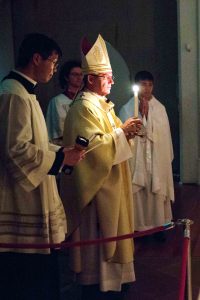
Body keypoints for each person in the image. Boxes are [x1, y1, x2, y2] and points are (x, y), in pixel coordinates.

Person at [0, 33, 85, 300]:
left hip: (32, 192)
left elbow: (34, 142)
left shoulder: (24, 92)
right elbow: (16, 150)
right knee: (27, 280)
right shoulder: (14, 95)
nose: (54, 68)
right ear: (36, 58)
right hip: (20, 201)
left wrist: (61, 152)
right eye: (53, 61)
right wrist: (60, 160)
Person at [60, 34, 142, 293]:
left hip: (111, 184)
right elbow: (91, 149)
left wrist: (126, 133)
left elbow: (112, 138)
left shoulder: (102, 105)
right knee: (98, 243)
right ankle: (97, 285)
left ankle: (115, 281)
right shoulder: (83, 107)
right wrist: (122, 133)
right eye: (107, 77)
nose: (112, 81)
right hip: (97, 193)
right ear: (91, 79)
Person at [119, 71, 174, 239]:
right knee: (139, 194)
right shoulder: (127, 109)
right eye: (143, 84)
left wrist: (149, 116)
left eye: (150, 84)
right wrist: (141, 116)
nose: (147, 88)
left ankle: (158, 226)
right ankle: (139, 227)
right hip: (138, 160)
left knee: (156, 191)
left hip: (156, 160)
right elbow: (126, 136)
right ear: (136, 86)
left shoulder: (160, 108)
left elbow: (163, 137)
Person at [46, 60, 83, 145]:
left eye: (81, 74)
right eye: (75, 74)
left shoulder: (85, 99)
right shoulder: (57, 101)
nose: (79, 77)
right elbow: (60, 130)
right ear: (66, 77)